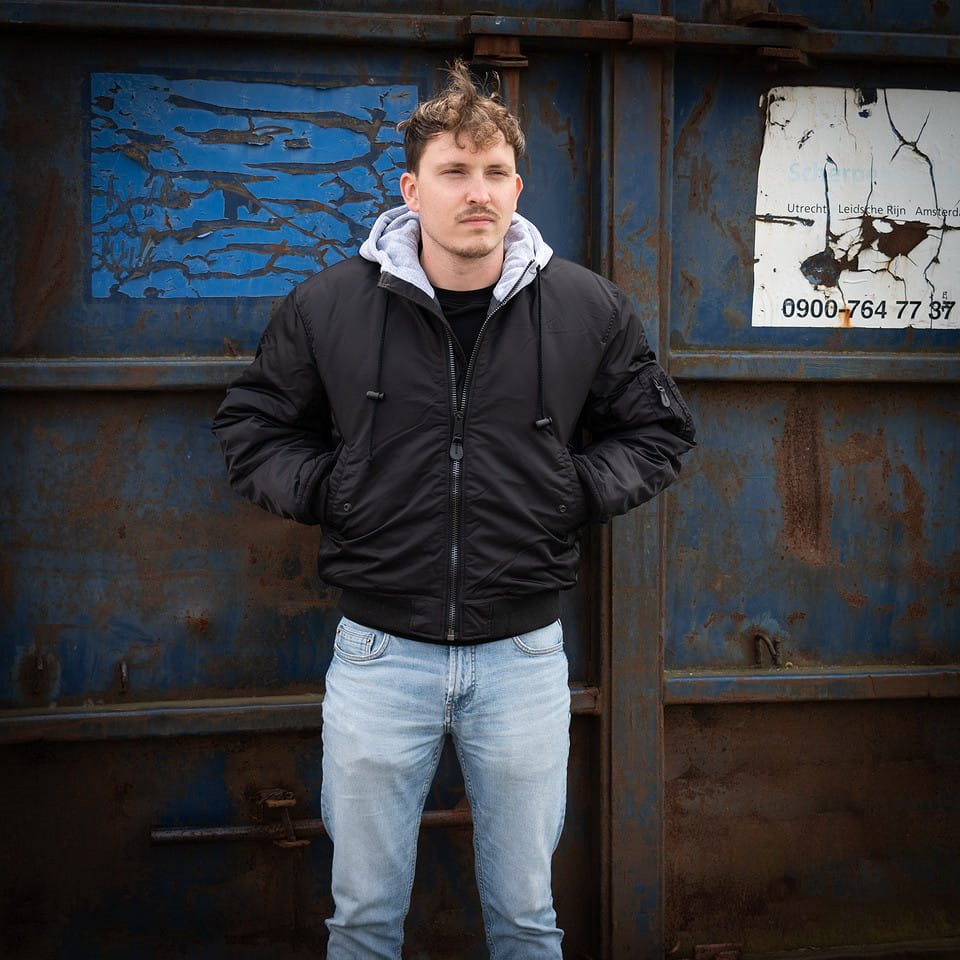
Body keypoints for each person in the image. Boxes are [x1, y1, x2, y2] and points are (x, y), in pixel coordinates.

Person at [212, 60, 695, 960]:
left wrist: (572, 491)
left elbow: (658, 432)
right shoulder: (329, 306)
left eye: (496, 172)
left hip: (522, 657)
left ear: (518, 187)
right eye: (455, 171)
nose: (479, 193)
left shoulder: (587, 308)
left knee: (527, 920)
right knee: (362, 921)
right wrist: (332, 491)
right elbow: (252, 428)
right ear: (412, 189)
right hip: (378, 654)